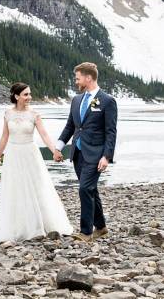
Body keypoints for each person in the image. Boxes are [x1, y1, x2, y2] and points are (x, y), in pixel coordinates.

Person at [0, 82, 74, 243]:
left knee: (37, 187)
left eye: (29, 94)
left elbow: (44, 135)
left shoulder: (34, 114)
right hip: (13, 154)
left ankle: (41, 225)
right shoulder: (7, 114)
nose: (29, 97)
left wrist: (54, 150)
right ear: (16, 96)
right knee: (16, 189)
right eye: (26, 94)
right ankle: (18, 227)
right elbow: (4, 137)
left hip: (30, 153)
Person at [54, 62, 117, 242]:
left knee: (84, 189)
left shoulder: (107, 101)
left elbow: (111, 132)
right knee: (90, 189)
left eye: (78, 77)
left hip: (96, 154)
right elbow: (70, 126)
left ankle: (86, 232)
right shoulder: (76, 100)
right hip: (78, 153)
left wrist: (107, 156)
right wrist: (58, 147)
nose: (76, 81)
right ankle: (102, 227)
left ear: (88, 78)